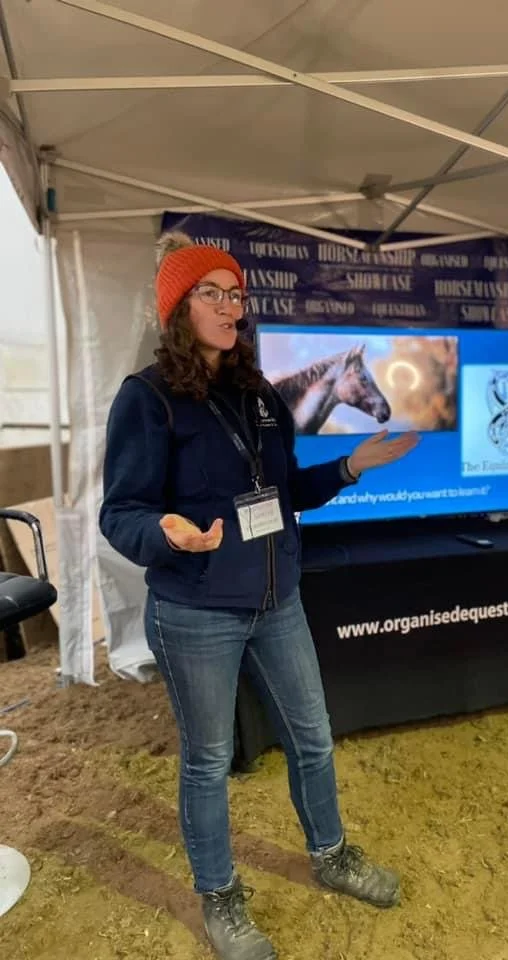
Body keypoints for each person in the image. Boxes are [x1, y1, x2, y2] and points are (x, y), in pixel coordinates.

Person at [99, 231, 419, 960]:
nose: (228, 305)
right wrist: (167, 533)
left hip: (279, 601)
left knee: (312, 735)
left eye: (235, 292)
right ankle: (220, 898)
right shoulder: (146, 398)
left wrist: (350, 466)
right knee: (209, 761)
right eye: (209, 292)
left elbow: (281, 493)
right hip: (195, 612)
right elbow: (120, 512)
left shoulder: (260, 395)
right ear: (176, 308)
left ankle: (331, 855)